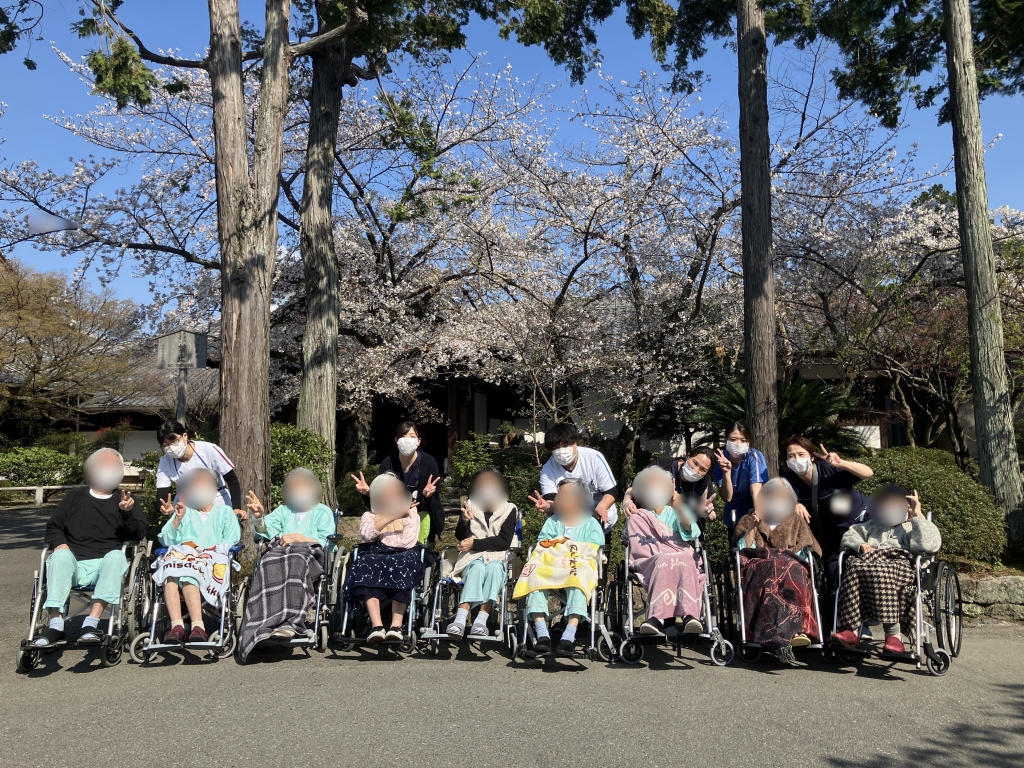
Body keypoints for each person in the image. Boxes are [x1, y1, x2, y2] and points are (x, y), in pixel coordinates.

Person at [33, 448, 147, 647]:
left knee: (116, 557)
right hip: (74, 563)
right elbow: (54, 526)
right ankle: (56, 625)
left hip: (106, 565)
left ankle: (91, 623)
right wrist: (60, 544)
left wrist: (127, 513)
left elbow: (138, 534)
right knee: (58, 556)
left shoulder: (126, 499)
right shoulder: (75, 497)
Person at [832, 486, 942, 654]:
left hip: (899, 565)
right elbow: (849, 535)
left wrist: (917, 515)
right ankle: (850, 630)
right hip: (869, 563)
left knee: (885, 571)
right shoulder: (871, 526)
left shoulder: (911, 526)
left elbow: (929, 545)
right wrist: (860, 544)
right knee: (853, 566)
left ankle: (894, 636)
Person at [733, 477, 822, 663]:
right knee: (770, 570)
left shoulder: (796, 520)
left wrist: (785, 561)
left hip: (790, 565)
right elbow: (742, 551)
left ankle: (797, 631)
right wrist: (752, 527)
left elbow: (805, 551)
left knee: (792, 570)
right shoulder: (749, 518)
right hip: (759, 565)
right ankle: (776, 633)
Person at [516, 478, 605, 656]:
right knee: (534, 573)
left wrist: (565, 546)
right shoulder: (552, 522)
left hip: (576, 565)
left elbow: (593, 549)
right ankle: (542, 633)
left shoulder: (590, 523)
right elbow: (542, 546)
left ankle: (569, 636)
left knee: (578, 576)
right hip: (552, 565)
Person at [156, 468, 241, 644]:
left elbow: (232, 539)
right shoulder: (185, 511)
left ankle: (198, 626)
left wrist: (207, 549)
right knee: (169, 572)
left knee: (189, 572)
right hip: (185, 557)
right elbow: (166, 539)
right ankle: (177, 626)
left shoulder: (225, 512)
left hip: (212, 558)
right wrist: (177, 519)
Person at [624, 466, 707, 636]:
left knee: (683, 557)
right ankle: (658, 619)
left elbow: (691, 532)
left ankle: (689, 616)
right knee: (664, 559)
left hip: (680, 557)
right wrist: (627, 498)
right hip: (651, 560)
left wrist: (679, 509)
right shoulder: (637, 516)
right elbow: (639, 547)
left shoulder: (675, 511)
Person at [781, 435, 874, 576]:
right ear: (787, 461)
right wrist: (794, 504)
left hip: (861, 528)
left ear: (812, 457)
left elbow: (868, 472)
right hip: (833, 541)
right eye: (791, 456)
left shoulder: (828, 469)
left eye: (801, 454)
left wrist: (840, 463)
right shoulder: (788, 481)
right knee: (835, 574)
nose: (797, 459)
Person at [347, 473, 423, 644]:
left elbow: (407, 542)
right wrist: (392, 515)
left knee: (402, 563)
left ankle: (396, 626)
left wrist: (382, 534)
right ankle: (377, 626)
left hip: (405, 553)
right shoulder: (369, 515)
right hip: (377, 552)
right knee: (366, 563)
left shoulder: (411, 512)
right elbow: (367, 535)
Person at [445, 467, 518, 638]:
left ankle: (481, 620)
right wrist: (463, 522)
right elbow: (460, 536)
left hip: (498, 557)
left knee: (493, 569)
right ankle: (460, 620)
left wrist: (474, 543)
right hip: (472, 557)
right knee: (477, 569)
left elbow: (503, 541)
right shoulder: (471, 504)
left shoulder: (509, 509)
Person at [351, 420, 443, 543]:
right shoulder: (387, 463)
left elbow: (432, 503)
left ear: (419, 441)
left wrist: (426, 496)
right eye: (403, 436)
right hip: (392, 519)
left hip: (419, 515)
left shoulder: (429, 463)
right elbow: (382, 501)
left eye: (412, 436)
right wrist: (368, 493)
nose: (407, 440)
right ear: (396, 440)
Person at [530, 422, 619, 531]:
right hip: (568, 524)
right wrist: (547, 506)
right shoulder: (548, 469)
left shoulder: (594, 458)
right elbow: (552, 501)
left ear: (575, 443)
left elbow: (611, 491)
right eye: (556, 448)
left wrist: (603, 505)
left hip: (599, 518)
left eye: (565, 445)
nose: (561, 451)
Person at [154, 421, 243, 517]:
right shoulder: (165, 461)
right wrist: (163, 507)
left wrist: (236, 508)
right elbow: (161, 495)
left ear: (185, 436)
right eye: (166, 445)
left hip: (216, 500)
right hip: (187, 505)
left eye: (174, 441)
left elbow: (232, 479)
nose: (171, 447)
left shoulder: (209, 450)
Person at [622, 446, 718, 523]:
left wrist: (705, 513)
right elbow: (634, 488)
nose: (696, 470)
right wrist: (627, 501)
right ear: (688, 456)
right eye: (695, 463)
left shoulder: (704, 482)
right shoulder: (664, 464)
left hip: (683, 535)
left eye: (703, 470)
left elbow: (713, 516)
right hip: (648, 527)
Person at [250, 468, 335, 547]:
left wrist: (302, 539)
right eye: (294, 487)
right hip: (282, 553)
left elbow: (328, 544)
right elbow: (265, 532)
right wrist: (258, 518)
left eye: (303, 486)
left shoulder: (323, 512)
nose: (299, 490)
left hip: (311, 555)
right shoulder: (283, 510)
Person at [713, 421, 769, 531]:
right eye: (733, 439)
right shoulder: (719, 460)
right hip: (733, 515)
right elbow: (727, 497)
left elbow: (756, 488)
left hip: (755, 511)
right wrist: (726, 473)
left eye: (743, 440)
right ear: (726, 439)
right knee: (735, 546)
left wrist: (758, 511)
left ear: (748, 442)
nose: (738, 443)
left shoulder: (754, 457)